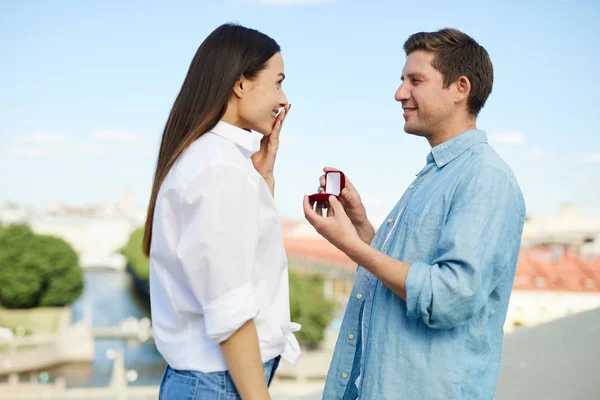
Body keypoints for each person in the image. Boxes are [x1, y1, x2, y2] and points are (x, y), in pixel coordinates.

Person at [303, 28, 526, 400]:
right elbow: (402, 276)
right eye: (402, 80)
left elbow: (449, 296)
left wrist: (354, 249)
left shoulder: (485, 177)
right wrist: (361, 229)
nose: (399, 93)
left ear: (460, 88)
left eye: (415, 80)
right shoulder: (437, 174)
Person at [142, 23, 300, 400]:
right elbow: (229, 309)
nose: (283, 97)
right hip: (219, 384)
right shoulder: (220, 169)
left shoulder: (214, 161)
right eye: (277, 81)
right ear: (240, 84)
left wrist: (263, 177)